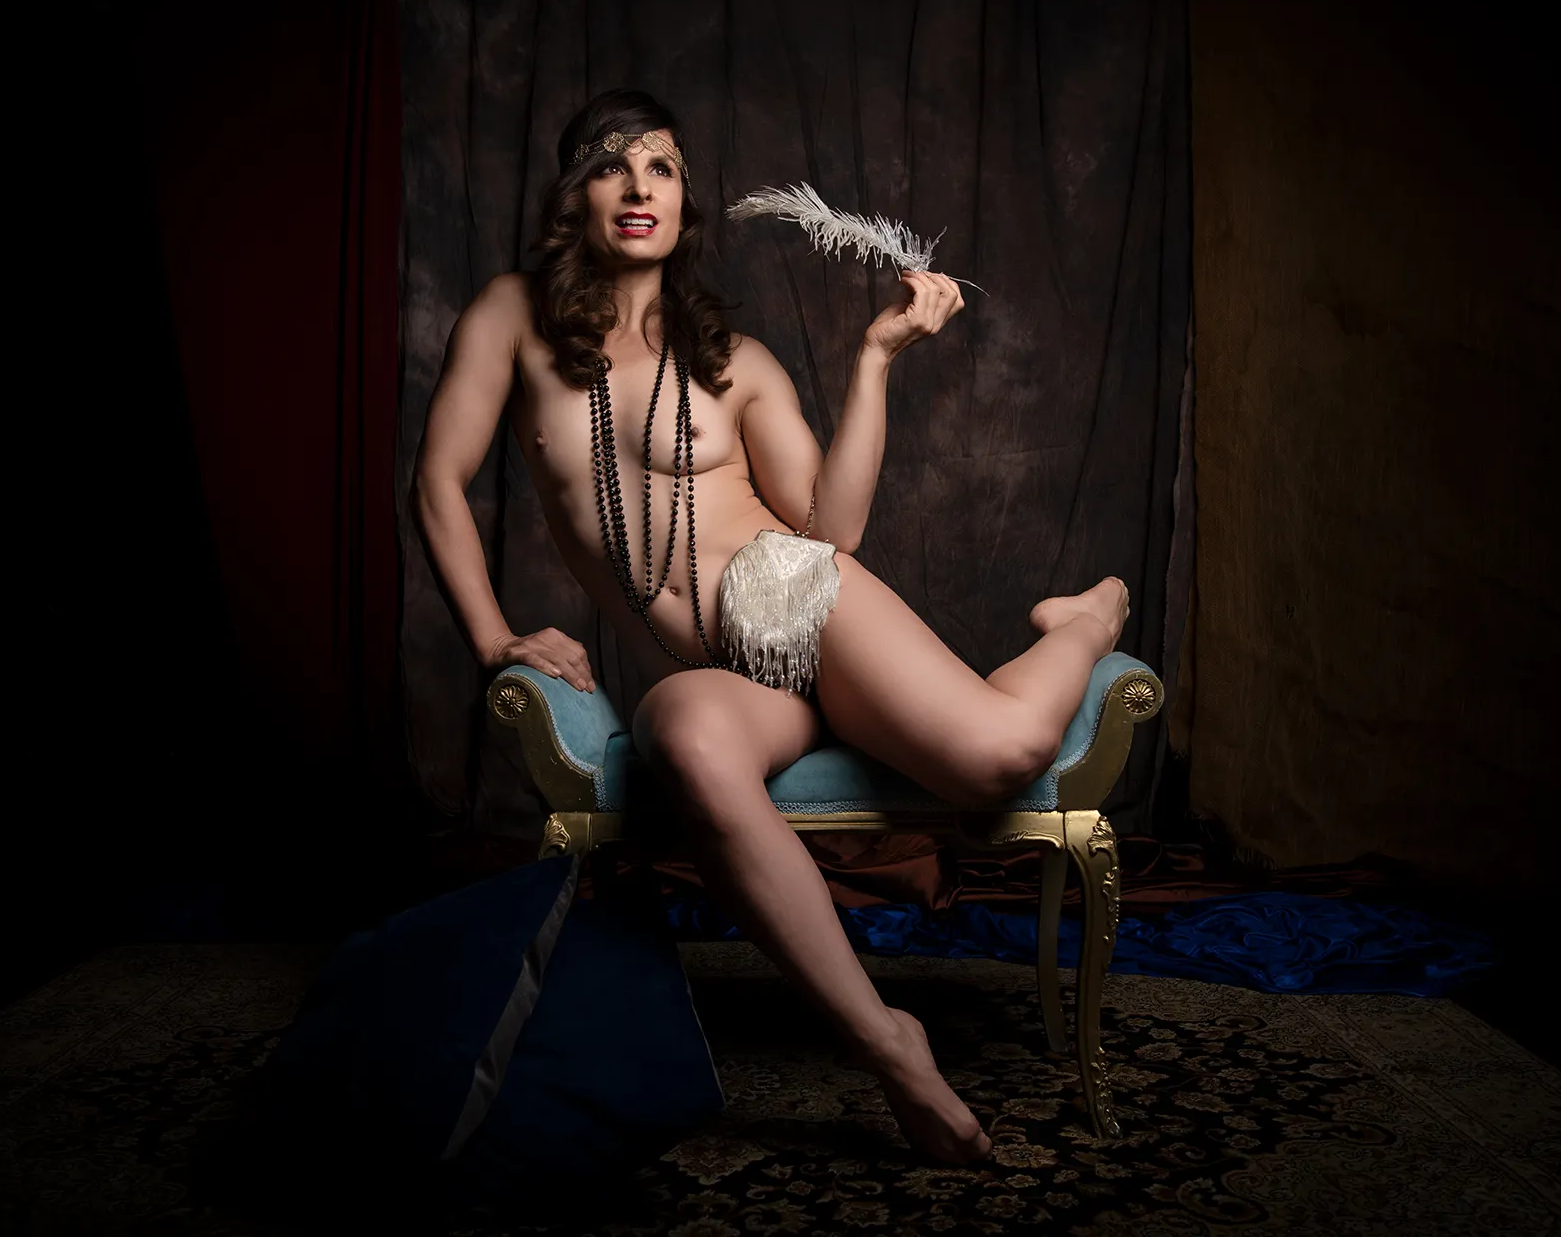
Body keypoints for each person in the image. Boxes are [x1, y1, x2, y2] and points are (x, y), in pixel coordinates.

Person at [415, 89, 1128, 1164]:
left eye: (660, 166)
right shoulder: (513, 316)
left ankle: (1087, 613)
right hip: (714, 672)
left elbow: (830, 528)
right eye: (612, 166)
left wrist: (875, 360)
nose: (637, 186)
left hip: (793, 599)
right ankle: (889, 1044)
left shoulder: (733, 360)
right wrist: (490, 638)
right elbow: (437, 477)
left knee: (1004, 753)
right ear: (578, 194)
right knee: (689, 739)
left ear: (685, 196)